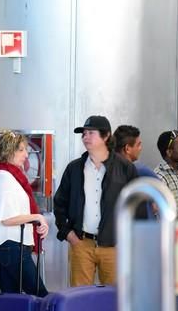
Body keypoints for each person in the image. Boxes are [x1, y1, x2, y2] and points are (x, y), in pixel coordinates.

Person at [53, 115, 138, 286]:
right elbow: (59, 203)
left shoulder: (125, 168)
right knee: (80, 298)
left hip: (114, 246)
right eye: (83, 134)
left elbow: (137, 206)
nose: (85, 137)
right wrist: (68, 233)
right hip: (82, 243)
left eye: (91, 133)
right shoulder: (74, 168)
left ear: (106, 136)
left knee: (115, 299)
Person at [0, 131, 49, 297]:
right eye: (21, 150)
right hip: (12, 245)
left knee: (11, 298)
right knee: (40, 295)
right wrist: (37, 217)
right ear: (9, 151)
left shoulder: (5, 176)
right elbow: (7, 218)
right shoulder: (5, 178)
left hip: (11, 245)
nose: (26, 155)